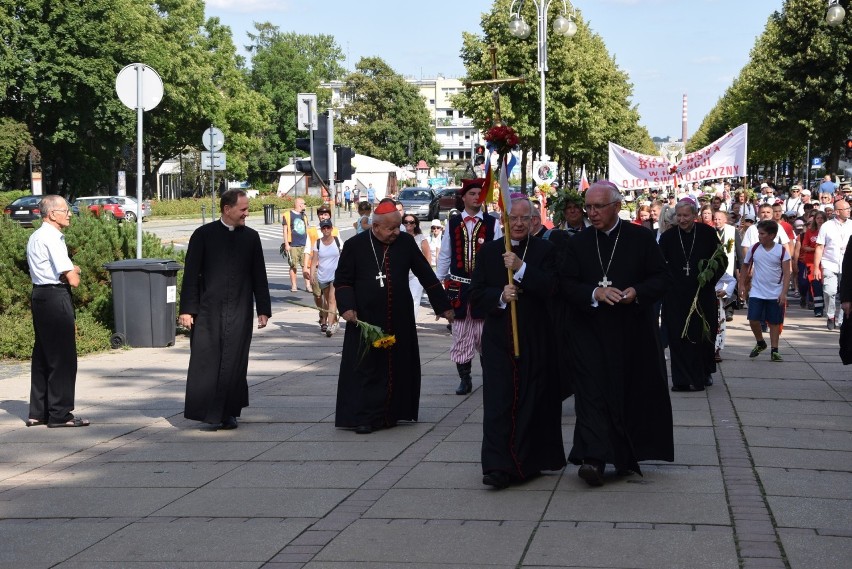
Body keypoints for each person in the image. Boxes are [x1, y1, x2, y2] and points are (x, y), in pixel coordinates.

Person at [559, 180, 673, 486]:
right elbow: (566, 284)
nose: (592, 214)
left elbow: (662, 278)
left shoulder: (641, 238)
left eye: (598, 207)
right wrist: (594, 292)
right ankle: (593, 459)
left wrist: (638, 291)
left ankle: (624, 455)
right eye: (589, 207)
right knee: (591, 395)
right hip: (590, 333)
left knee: (628, 394)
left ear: (617, 207)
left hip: (631, 332)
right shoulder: (578, 242)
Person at [469, 197, 566, 489]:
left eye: (526, 218)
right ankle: (497, 465)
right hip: (499, 340)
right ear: (504, 221)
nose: (520, 223)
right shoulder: (489, 252)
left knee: (531, 401)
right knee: (498, 402)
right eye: (514, 218)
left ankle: (526, 463)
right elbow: (475, 297)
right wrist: (499, 297)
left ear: (535, 220)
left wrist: (522, 268)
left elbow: (552, 287)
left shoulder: (546, 250)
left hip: (535, 338)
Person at [334, 199, 453, 434]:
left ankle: (394, 412)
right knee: (367, 368)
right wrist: (347, 307)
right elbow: (343, 281)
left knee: (397, 365)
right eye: (391, 229)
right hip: (365, 318)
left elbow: (426, 274)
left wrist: (443, 306)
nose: (396, 232)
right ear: (376, 227)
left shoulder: (406, 243)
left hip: (399, 316)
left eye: (398, 227)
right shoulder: (355, 245)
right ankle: (364, 417)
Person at [180, 189, 271, 430]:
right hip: (209, 311)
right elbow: (190, 276)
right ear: (227, 209)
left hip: (240, 310)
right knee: (207, 362)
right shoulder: (203, 235)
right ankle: (208, 411)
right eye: (242, 209)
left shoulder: (251, 237)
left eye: (247, 209)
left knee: (235, 362)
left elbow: (259, 275)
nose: (246, 214)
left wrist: (263, 308)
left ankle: (229, 412)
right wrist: (187, 310)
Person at [25, 195, 89, 428]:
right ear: (52, 214)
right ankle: (60, 414)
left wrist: (71, 268)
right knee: (63, 356)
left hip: (39, 295)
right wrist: (75, 269)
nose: (70, 213)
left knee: (43, 353)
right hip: (55, 296)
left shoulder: (35, 236)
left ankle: (39, 412)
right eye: (65, 209)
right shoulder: (53, 237)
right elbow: (73, 280)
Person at [436, 178, 502, 395]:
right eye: (472, 194)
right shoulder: (453, 223)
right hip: (459, 287)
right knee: (461, 333)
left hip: (484, 288)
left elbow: (500, 256)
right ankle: (465, 379)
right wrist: (438, 285)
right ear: (463, 197)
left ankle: (491, 378)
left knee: (486, 334)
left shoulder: (492, 224)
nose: (476, 197)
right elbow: (445, 254)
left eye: (479, 194)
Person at [659, 199, 725, 391]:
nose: (682, 219)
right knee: (678, 335)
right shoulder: (668, 237)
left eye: (686, 215)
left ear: (695, 216)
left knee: (702, 335)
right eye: (678, 216)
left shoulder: (707, 233)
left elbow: (720, 259)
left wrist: (708, 278)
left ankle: (703, 373)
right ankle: (680, 379)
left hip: (701, 293)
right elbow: (659, 265)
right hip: (676, 296)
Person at [740, 220, 791, 361]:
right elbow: (745, 266)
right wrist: (742, 285)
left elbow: (787, 273)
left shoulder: (781, 251)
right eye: (758, 233)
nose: (759, 236)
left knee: (774, 322)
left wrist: (783, 293)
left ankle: (774, 350)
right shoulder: (754, 248)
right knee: (753, 319)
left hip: (775, 292)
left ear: (772, 235)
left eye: (762, 234)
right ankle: (760, 342)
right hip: (757, 290)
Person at [813, 198, 852, 330]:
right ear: (836, 211)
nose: (848, 211)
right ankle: (830, 315)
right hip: (829, 263)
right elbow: (819, 247)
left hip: (847, 265)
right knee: (830, 291)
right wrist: (816, 267)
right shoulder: (827, 226)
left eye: (849, 208)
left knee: (845, 294)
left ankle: (842, 319)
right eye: (845, 209)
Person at [306, 205, 341, 331]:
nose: (326, 230)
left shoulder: (337, 241)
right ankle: (333, 320)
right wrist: (311, 275)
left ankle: (330, 326)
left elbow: (343, 257)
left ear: (331, 228)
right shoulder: (318, 243)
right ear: (321, 229)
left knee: (332, 300)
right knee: (326, 300)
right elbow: (314, 259)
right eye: (324, 228)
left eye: (328, 227)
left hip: (335, 275)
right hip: (322, 275)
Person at [403, 213, 432, 318]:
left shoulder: (421, 238)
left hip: (416, 275)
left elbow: (427, 256)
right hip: (401, 274)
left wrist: (426, 273)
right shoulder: (398, 237)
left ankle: (411, 322)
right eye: (405, 222)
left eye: (411, 222)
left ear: (415, 224)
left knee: (414, 298)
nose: (408, 224)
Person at [801, 211, 827, 315]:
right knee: (816, 285)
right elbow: (804, 246)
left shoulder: (829, 230)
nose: (820, 220)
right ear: (815, 220)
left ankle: (824, 304)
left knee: (825, 286)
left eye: (822, 218)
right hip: (812, 262)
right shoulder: (810, 232)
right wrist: (815, 249)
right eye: (818, 218)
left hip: (826, 262)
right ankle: (818, 309)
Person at [282, 197, 309, 293]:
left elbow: (307, 229)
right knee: (293, 266)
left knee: (305, 266)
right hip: (293, 244)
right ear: (299, 204)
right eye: (304, 203)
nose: (305, 205)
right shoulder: (288, 215)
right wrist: (286, 244)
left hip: (304, 244)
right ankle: (294, 285)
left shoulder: (304, 216)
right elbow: (285, 230)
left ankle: (308, 285)